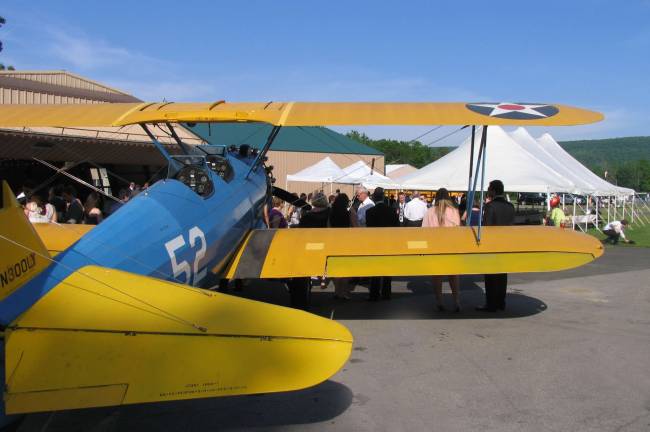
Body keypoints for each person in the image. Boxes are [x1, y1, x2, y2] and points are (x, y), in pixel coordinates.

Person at [287, 192, 331, 309]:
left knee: (306, 268)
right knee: (324, 263)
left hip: (309, 245)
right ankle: (323, 279)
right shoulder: (329, 214)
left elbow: (301, 233)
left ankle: (308, 286)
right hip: (324, 243)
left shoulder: (307, 215)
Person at [478, 180, 515, 312]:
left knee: (490, 276)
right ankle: (501, 302)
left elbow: (487, 228)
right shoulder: (510, 206)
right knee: (502, 275)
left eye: (489, 188)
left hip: (492, 245)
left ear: (493, 190)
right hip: (506, 245)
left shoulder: (490, 206)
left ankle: (491, 304)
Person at [423, 188, 461, 312]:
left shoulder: (430, 211)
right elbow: (458, 230)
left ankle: (440, 301)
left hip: (435, 248)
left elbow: (424, 231)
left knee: (437, 277)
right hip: (451, 247)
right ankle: (456, 301)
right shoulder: (454, 211)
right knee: (453, 276)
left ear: (436, 197)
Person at [365, 187, 399, 301]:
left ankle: (374, 294)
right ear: (384, 198)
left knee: (375, 270)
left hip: (374, 244)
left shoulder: (369, 212)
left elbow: (368, 230)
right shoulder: (392, 211)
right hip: (388, 243)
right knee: (387, 270)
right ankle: (386, 293)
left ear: (374, 198)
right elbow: (397, 228)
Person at [329, 193, 354, 299]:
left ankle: (336, 291)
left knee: (335, 268)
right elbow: (355, 226)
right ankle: (343, 292)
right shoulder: (349, 213)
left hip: (334, 242)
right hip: (346, 242)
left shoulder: (331, 213)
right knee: (345, 268)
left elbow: (328, 227)